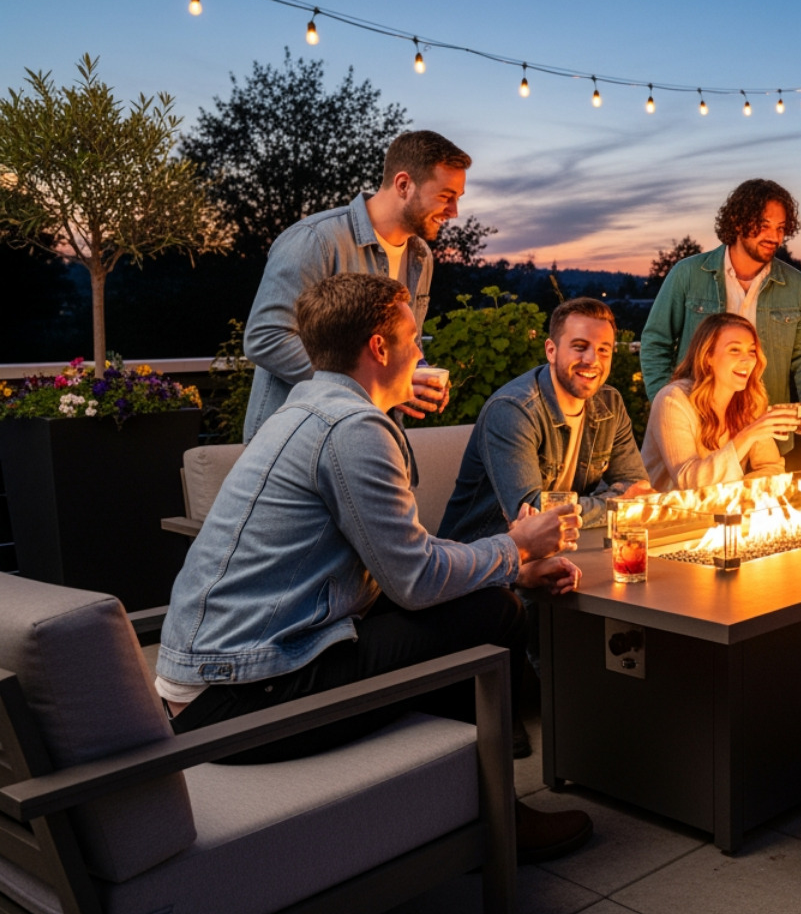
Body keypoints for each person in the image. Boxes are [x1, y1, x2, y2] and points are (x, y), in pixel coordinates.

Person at [157, 273, 594, 863]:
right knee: (490, 616)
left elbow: (398, 558)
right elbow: (414, 581)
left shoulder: (311, 405)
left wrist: (509, 567)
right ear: (380, 348)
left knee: (484, 600)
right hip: (240, 699)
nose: (421, 351)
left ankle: (460, 794)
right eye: (415, 338)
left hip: (221, 673)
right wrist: (514, 549)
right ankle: (498, 820)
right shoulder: (352, 429)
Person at [242, 130, 470, 441]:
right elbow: (265, 338)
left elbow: (405, 343)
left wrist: (418, 376)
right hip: (296, 442)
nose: (454, 212)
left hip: (372, 440)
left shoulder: (421, 256)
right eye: (446, 196)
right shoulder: (316, 240)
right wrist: (368, 387)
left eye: (458, 198)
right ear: (404, 185)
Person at [639, 179, 801, 453]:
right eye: (764, 226)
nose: (774, 237)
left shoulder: (796, 286)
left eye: (780, 228)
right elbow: (656, 341)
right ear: (738, 222)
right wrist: (666, 406)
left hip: (767, 435)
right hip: (698, 433)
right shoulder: (688, 274)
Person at [440, 297, 652, 540]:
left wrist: (621, 502)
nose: (592, 360)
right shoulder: (513, 409)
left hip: (567, 548)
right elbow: (531, 515)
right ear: (551, 351)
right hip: (484, 559)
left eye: (603, 350)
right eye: (580, 347)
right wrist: (616, 505)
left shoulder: (610, 404)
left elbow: (638, 488)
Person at [640, 312, 800, 491]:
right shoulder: (673, 400)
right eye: (734, 350)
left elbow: (771, 468)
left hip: (722, 512)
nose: (747, 359)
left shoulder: (749, 401)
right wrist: (747, 436)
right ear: (708, 356)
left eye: (752, 351)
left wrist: (740, 494)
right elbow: (688, 482)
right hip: (668, 514)